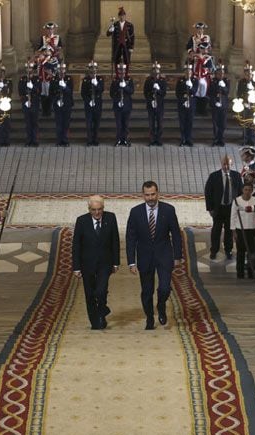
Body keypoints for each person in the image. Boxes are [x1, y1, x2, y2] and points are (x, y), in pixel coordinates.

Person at [126, 181, 183, 330]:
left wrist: (177, 256)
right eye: (147, 195)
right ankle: (150, 317)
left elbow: (176, 234)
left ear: (158, 193)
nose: (150, 198)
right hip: (145, 257)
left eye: (153, 194)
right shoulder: (135, 212)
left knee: (164, 288)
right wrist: (131, 262)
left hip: (164, 255)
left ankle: (161, 305)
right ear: (142, 195)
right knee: (147, 291)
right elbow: (130, 238)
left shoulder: (169, 210)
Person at [72, 196, 120, 330]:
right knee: (90, 294)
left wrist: (116, 262)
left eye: (100, 209)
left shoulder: (111, 218)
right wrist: (76, 267)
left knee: (100, 290)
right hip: (87, 264)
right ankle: (95, 321)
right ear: (89, 209)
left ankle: (102, 311)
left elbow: (115, 240)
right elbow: (76, 245)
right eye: (94, 210)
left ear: (103, 208)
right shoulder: (82, 221)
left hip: (105, 263)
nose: (97, 213)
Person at [204, 155, 242, 260]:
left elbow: (240, 192)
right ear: (221, 164)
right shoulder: (214, 176)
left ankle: (228, 250)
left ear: (232, 164)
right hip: (218, 208)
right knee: (216, 230)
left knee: (229, 231)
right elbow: (208, 192)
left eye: (228, 164)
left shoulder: (236, 176)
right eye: (224, 164)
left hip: (231, 208)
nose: (226, 167)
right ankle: (214, 250)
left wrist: (239, 207)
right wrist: (210, 208)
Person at [231, 183, 255, 279]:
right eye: (246, 189)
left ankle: (251, 272)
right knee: (240, 252)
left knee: (251, 253)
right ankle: (240, 273)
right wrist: (233, 231)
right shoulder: (237, 201)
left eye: (249, 190)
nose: (247, 192)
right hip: (240, 229)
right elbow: (233, 216)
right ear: (242, 190)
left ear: (252, 191)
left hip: (252, 229)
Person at [143, 61, 168, 146]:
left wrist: (159, 90)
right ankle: (152, 139)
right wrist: (150, 99)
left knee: (160, 123)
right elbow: (145, 92)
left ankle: (159, 139)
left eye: (157, 69)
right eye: (154, 69)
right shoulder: (148, 80)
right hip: (151, 104)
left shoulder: (162, 80)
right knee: (151, 123)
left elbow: (164, 93)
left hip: (160, 105)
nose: (155, 71)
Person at [49, 62, 74, 146]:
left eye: (63, 69)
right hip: (58, 104)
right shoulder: (53, 80)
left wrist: (65, 87)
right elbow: (51, 93)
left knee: (66, 123)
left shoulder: (69, 79)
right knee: (58, 123)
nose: (61, 71)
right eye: (60, 69)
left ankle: (65, 140)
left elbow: (70, 92)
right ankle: (59, 140)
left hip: (67, 104)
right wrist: (55, 101)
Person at [81, 60, 104, 146]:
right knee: (89, 123)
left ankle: (95, 139)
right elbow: (83, 93)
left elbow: (101, 90)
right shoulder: (85, 80)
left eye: (94, 69)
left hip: (97, 104)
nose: (93, 70)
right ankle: (89, 140)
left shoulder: (100, 79)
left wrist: (96, 84)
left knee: (96, 123)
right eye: (91, 69)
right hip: (89, 104)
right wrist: (88, 100)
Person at [18, 60, 41, 146]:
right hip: (26, 103)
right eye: (27, 68)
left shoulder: (36, 79)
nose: (29, 70)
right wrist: (25, 99)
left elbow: (39, 91)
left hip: (34, 102)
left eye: (30, 68)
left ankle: (35, 140)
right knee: (28, 123)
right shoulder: (22, 79)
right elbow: (20, 91)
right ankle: (28, 140)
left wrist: (32, 87)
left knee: (35, 123)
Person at [110, 63, 134, 146]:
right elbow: (111, 94)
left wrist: (125, 87)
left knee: (126, 124)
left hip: (127, 106)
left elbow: (131, 91)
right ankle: (119, 140)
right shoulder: (115, 80)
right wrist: (118, 87)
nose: (122, 72)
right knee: (119, 124)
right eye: (120, 70)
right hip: (117, 106)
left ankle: (126, 140)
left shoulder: (129, 80)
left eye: (123, 70)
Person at [175, 64, 198, 146]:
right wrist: (183, 99)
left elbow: (194, 92)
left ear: (191, 73)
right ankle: (183, 138)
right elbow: (177, 93)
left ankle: (188, 138)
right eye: (186, 73)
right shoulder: (180, 80)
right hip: (182, 104)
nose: (188, 74)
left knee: (190, 122)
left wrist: (191, 87)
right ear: (184, 73)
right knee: (182, 122)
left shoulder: (195, 80)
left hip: (191, 104)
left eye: (189, 72)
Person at [208, 63, 229, 146]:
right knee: (215, 123)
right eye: (219, 74)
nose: (221, 75)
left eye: (222, 74)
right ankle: (216, 138)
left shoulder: (226, 81)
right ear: (216, 74)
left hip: (223, 105)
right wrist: (214, 102)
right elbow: (210, 93)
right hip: (215, 105)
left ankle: (221, 139)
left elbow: (227, 92)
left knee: (222, 123)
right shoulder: (213, 81)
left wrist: (223, 87)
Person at [236, 63, 255, 146]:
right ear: (244, 75)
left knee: (252, 122)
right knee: (245, 122)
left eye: (250, 74)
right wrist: (243, 102)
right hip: (245, 105)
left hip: (253, 105)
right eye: (247, 74)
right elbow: (239, 93)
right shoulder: (242, 82)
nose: (249, 76)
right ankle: (245, 139)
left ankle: (251, 139)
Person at [0, 62, 13, 146]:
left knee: (7, 124)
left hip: (6, 105)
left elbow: (10, 92)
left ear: (4, 73)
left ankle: (6, 141)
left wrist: (3, 87)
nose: (0, 74)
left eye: (2, 73)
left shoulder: (8, 82)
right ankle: (0, 141)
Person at [192, 41, 214, 115]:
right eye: (202, 49)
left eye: (206, 49)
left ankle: (203, 109)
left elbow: (210, 68)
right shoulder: (195, 57)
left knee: (204, 93)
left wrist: (203, 61)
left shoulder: (209, 58)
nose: (204, 51)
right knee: (196, 92)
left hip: (204, 78)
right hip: (195, 77)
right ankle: (196, 109)